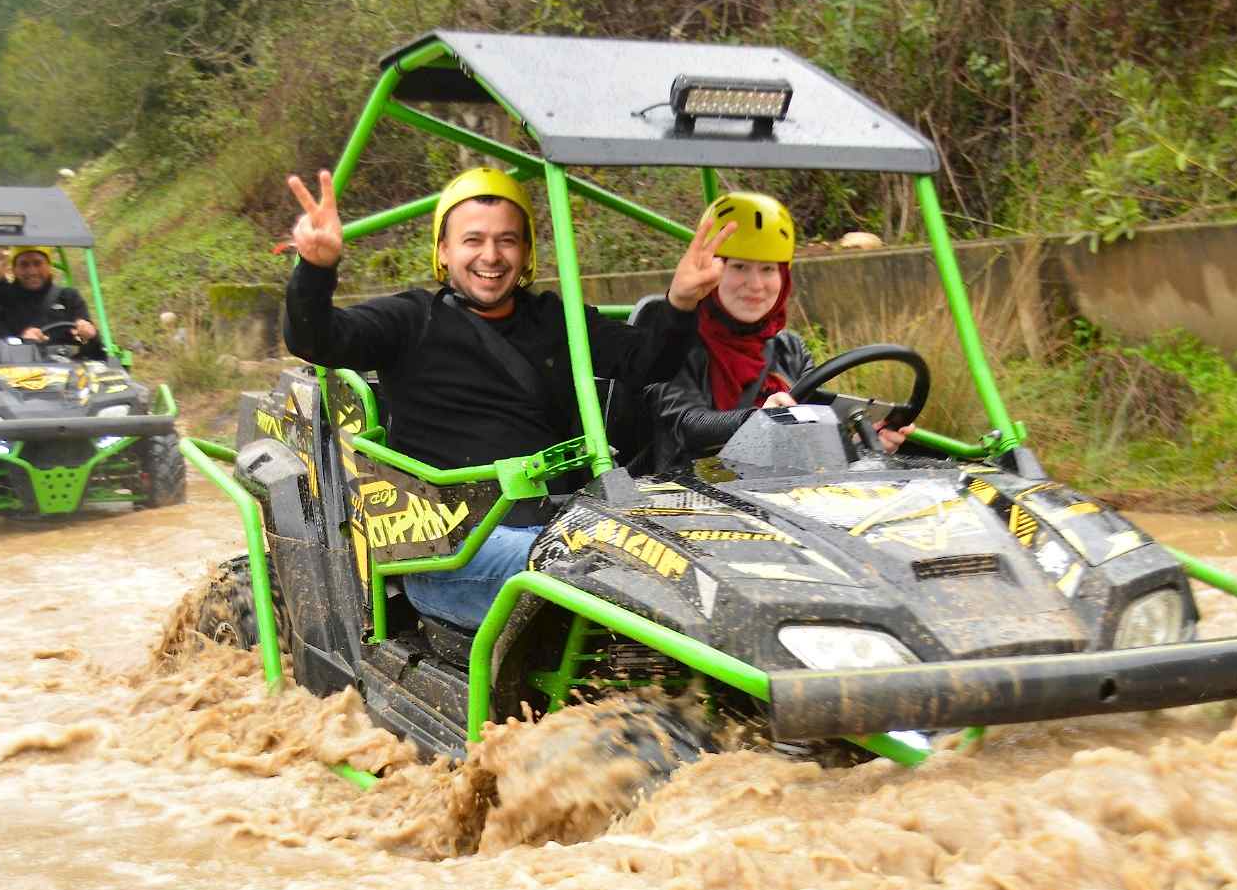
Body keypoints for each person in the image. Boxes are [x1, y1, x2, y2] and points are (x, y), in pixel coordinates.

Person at [283, 166, 735, 629]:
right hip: (452, 551)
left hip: (558, 528)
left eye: (507, 241)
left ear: (526, 252)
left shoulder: (554, 320)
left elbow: (647, 363)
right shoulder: (410, 320)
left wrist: (681, 301)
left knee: (691, 562)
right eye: (473, 240)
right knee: (606, 572)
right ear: (444, 250)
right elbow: (318, 339)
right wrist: (315, 270)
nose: (491, 256)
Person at [644, 192, 914, 472]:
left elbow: (812, 437)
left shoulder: (790, 349)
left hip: (776, 486)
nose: (756, 284)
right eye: (739, 267)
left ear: (783, 277)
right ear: (711, 270)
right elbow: (687, 425)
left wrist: (860, 442)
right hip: (687, 489)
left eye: (768, 269)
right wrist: (760, 420)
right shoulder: (668, 341)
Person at [0, 245, 105, 361]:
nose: (32, 271)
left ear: (49, 267)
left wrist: (90, 334)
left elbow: (96, 351)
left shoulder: (69, 297)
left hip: (66, 368)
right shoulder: (4, 298)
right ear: (14, 270)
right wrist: (23, 342)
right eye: (24, 265)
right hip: (19, 368)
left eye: (38, 263)